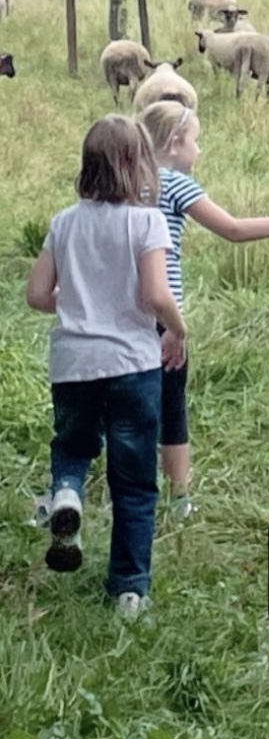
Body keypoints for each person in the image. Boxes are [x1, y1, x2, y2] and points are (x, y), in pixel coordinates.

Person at [25, 114, 186, 619]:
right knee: (134, 480)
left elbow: (35, 295)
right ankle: (129, 589)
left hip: (73, 362)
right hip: (132, 365)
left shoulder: (63, 222)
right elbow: (155, 294)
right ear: (138, 164)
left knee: (72, 446)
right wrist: (178, 330)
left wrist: (78, 305)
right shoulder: (146, 221)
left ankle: (67, 493)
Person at [136, 100, 269, 517]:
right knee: (172, 405)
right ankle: (180, 498)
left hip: (122, 315)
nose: (198, 150)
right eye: (196, 140)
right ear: (177, 142)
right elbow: (233, 230)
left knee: (129, 405)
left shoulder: (128, 181)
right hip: (165, 316)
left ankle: (130, 486)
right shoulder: (175, 184)